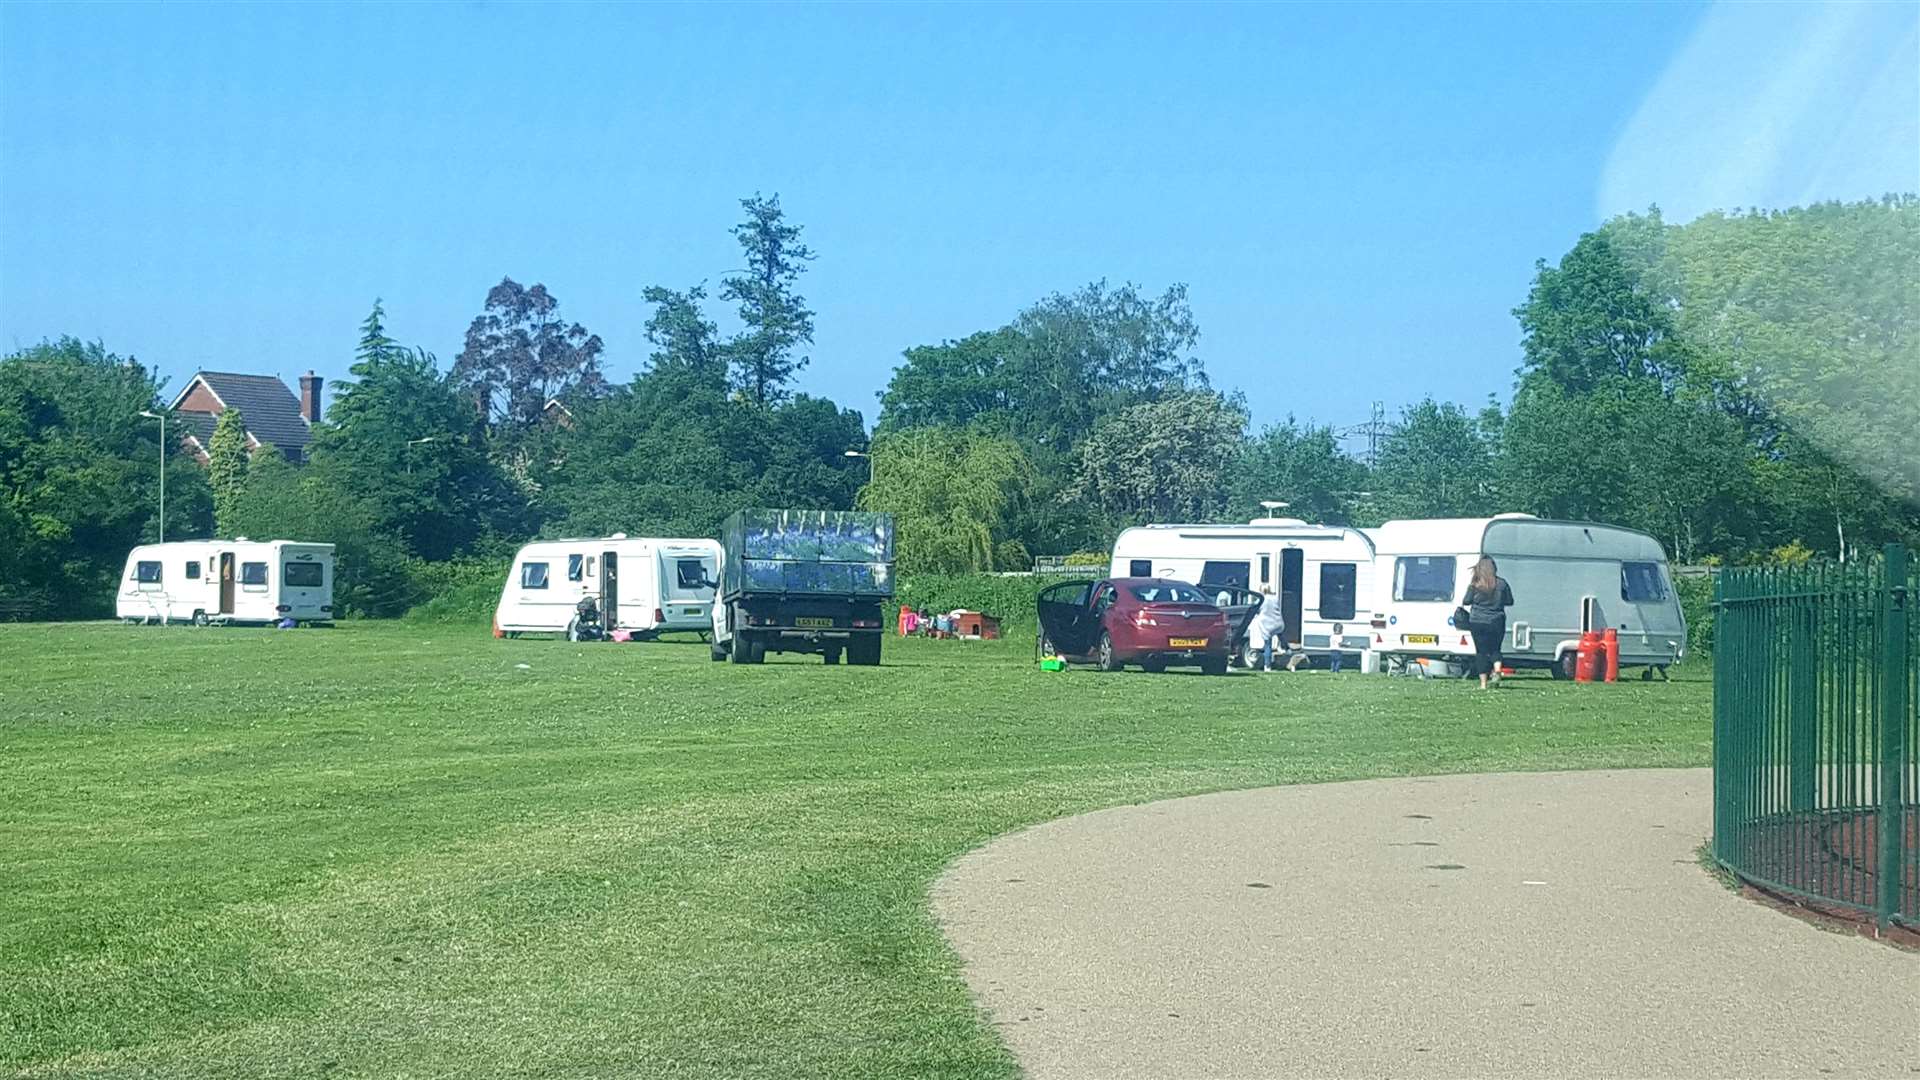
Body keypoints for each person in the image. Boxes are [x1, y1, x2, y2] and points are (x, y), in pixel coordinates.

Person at [1461, 556, 1515, 689]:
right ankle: (1497, 671)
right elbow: (1510, 601)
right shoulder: (1502, 584)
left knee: (1481, 652)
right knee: (1495, 648)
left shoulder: (1475, 584)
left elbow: (1466, 601)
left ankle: (1483, 684)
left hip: (1477, 621)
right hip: (1497, 620)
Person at [1250, 590, 1289, 672]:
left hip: (1266, 624)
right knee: (1280, 634)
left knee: (1268, 645)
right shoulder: (1275, 598)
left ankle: (1267, 666)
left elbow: (1256, 609)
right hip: (1277, 622)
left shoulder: (1261, 600)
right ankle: (1286, 649)